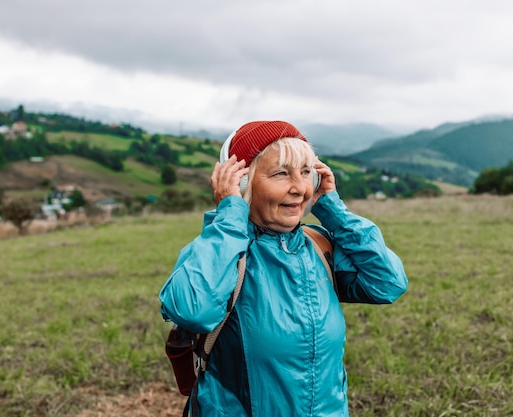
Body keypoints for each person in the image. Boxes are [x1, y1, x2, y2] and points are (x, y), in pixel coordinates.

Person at [159, 120, 407, 417]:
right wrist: (229, 217)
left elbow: (387, 283)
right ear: (241, 183)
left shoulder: (318, 246)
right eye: (281, 173)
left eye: (306, 173)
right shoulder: (219, 251)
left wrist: (333, 210)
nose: (300, 188)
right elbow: (193, 310)